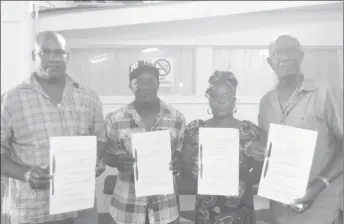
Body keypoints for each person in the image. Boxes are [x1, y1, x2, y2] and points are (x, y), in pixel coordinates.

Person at [1, 31, 106, 224]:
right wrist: (24, 173)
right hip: (34, 211)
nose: (53, 58)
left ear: (68, 56)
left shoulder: (88, 96)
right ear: (34, 55)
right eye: (45, 52)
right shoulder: (11, 99)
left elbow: (100, 138)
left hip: (81, 209)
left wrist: (95, 160)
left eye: (59, 52)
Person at [259, 35, 343, 224]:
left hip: (319, 209)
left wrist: (319, 185)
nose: (284, 57)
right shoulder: (266, 103)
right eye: (277, 53)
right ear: (270, 62)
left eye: (291, 51)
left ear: (301, 56)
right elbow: (267, 149)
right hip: (280, 209)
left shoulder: (325, 93)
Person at [104, 60, 186, 224]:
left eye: (150, 80)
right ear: (130, 86)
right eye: (138, 81)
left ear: (158, 84)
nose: (144, 86)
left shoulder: (177, 118)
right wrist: (117, 161)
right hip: (127, 207)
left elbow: (180, 153)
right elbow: (107, 156)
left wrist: (178, 162)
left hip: (165, 209)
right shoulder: (114, 119)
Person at [181, 70, 267, 224]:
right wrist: (192, 170)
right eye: (215, 96)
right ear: (209, 100)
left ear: (234, 100)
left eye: (226, 95)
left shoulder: (249, 132)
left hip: (240, 213)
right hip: (206, 214)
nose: (221, 101)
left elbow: (260, 174)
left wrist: (245, 174)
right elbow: (184, 172)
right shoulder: (195, 131)